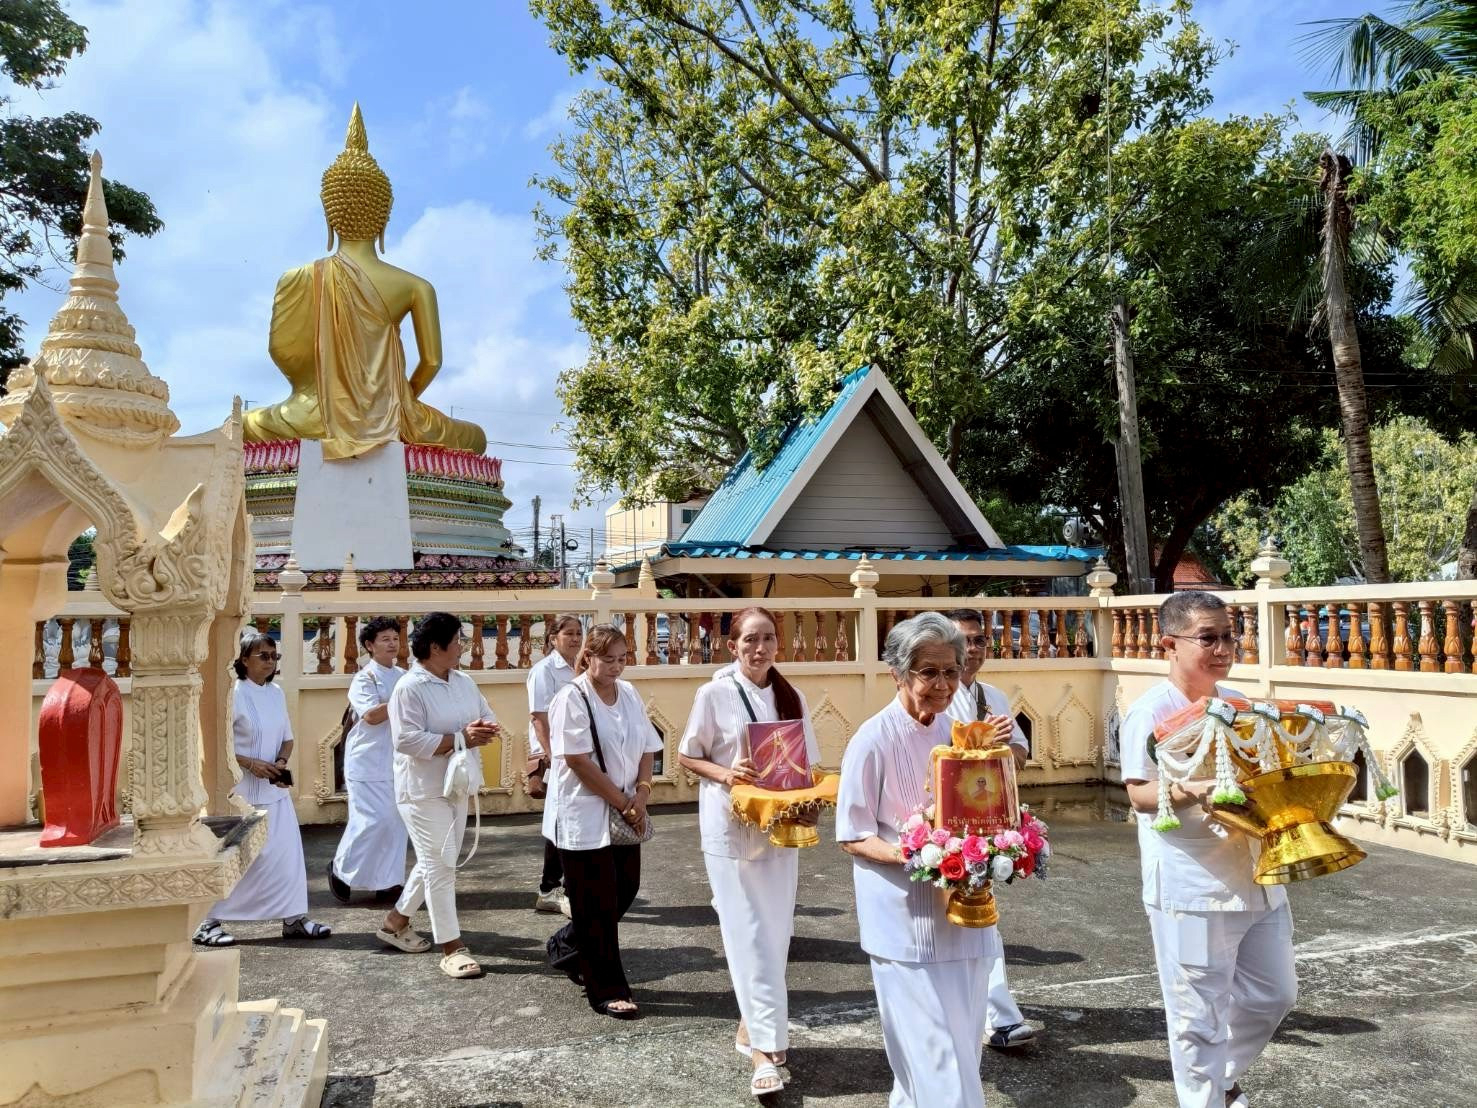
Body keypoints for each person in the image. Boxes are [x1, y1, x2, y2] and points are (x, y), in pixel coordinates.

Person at [1120, 591, 1296, 1108]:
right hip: (1191, 883)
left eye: (1228, 636)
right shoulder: (1149, 712)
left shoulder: (1237, 703)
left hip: (1256, 873)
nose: (1222, 647)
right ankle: (1204, 1099)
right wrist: (1194, 791)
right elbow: (1139, 794)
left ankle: (1220, 1080)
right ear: (1169, 646)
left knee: (1274, 995)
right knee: (1196, 1014)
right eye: (1208, 638)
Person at [836, 612, 997, 1108]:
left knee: (956, 1057)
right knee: (937, 1065)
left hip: (967, 919)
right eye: (929, 672)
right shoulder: (872, 738)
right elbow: (852, 834)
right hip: (903, 924)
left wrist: (1002, 845)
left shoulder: (965, 735)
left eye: (951, 670)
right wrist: (920, 855)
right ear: (899, 674)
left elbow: (988, 809)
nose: (943, 684)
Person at [678, 606, 823, 1098]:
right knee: (745, 933)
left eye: (767, 639)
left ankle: (751, 1024)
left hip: (779, 830)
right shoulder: (714, 693)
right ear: (732, 646)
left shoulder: (791, 695)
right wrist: (727, 774)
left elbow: (807, 764)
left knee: (776, 934)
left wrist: (810, 807)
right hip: (729, 829)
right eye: (749, 641)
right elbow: (686, 753)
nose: (759, 649)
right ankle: (764, 1049)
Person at [543, 625, 662, 1019]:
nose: (615, 667)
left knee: (625, 888)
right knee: (595, 903)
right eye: (607, 659)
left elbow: (648, 746)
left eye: (622, 659)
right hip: (584, 815)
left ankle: (567, 945)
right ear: (588, 658)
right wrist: (623, 802)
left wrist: (641, 794)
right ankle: (606, 988)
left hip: (627, 808)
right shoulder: (571, 698)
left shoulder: (628, 693)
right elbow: (577, 760)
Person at [376, 611, 500, 979]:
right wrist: (460, 737)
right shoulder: (409, 687)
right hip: (422, 790)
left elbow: (487, 715)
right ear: (435, 646)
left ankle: (395, 921)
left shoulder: (462, 681)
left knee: (437, 860)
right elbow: (406, 740)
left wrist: (481, 729)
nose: (462, 645)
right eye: (457, 639)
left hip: (457, 785)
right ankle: (451, 947)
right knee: (442, 865)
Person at [193, 633, 332, 947]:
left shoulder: (276, 693)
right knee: (234, 857)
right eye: (263, 656)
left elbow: (288, 737)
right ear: (244, 659)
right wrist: (251, 764)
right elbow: (220, 743)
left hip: (274, 790)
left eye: (274, 656)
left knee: (287, 857)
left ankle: (294, 918)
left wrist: (280, 761)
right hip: (240, 791)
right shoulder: (233, 694)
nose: (271, 662)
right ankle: (206, 921)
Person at [943, 608, 1038, 1052]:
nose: (973, 649)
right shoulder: (937, 696)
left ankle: (996, 1015)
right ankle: (987, 1013)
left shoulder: (995, 697)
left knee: (982, 914)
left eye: (979, 640)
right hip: (945, 823)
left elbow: (1018, 758)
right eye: (964, 640)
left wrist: (1001, 745)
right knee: (959, 919)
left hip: (988, 818)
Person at [329, 616, 409, 903]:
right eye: (384, 639)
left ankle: (388, 881)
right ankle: (340, 868)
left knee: (396, 823)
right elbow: (372, 716)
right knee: (372, 820)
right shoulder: (364, 678)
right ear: (369, 646)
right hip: (365, 761)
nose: (392, 643)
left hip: (396, 760)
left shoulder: (403, 676)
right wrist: (404, 700)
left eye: (395, 638)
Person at [526, 614, 583, 917]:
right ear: (553, 638)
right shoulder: (544, 671)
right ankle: (552, 888)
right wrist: (554, 757)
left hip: (579, 755)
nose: (575, 639)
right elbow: (539, 718)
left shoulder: (581, 668)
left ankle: (557, 887)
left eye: (578, 633)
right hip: (558, 757)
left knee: (570, 820)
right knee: (560, 821)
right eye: (568, 633)